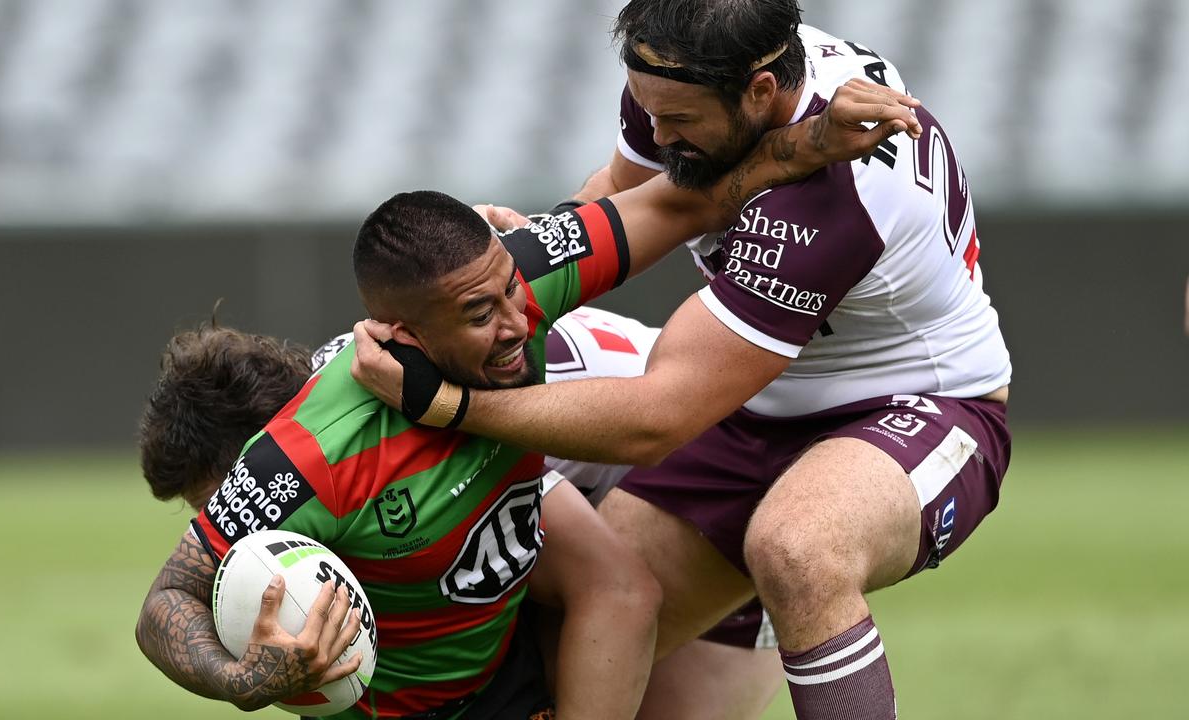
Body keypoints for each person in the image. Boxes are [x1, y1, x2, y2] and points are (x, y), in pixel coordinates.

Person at [134, 87, 923, 720]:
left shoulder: (521, 279)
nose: (519, 323)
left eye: (512, 292)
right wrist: (242, 676)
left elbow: (683, 206)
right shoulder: (318, 452)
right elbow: (168, 600)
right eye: (481, 315)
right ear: (401, 330)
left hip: (628, 551)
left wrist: (811, 142)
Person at [350, 2, 1011, 719]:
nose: (658, 132)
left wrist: (449, 405)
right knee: (581, 633)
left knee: (797, 548)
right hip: (753, 402)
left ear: (760, 90)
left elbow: (657, 420)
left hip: (918, 407)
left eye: (680, 121)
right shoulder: (685, 77)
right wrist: (515, 262)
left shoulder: (835, 196)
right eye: (647, 110)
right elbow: (623, 201)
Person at [138, 307, 784, 720]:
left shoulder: (389, 440)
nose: (231, 529)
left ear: (267, 448)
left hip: (730, 456)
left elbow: (618, 588)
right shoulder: (343, 409)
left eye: (223, 500)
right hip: (671, 461)